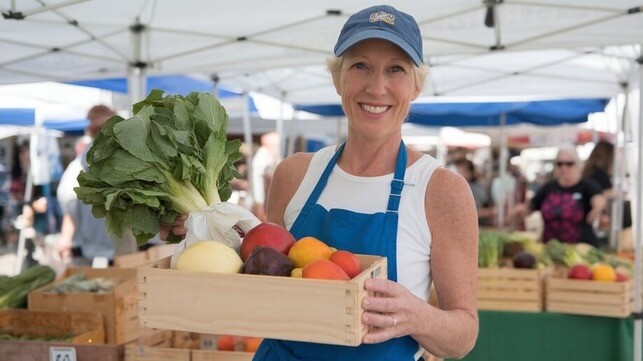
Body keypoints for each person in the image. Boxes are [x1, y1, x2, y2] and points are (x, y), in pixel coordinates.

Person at [165, 5, 478, 360]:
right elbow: (262, 271)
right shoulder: (294, 174)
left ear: (416, 85)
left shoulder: (440, 190)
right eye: (360, 65)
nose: (377, 87)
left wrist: (418, 317)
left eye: (396, 69)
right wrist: (199, 229)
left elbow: (463, 335)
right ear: (337, 78)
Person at [56, 105, 139, 265]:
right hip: (105, 247)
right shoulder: (90, 158)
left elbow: (68, 202)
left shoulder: (82, 161)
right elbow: (70, 201)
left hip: (107, 245)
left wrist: (65, 238)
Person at [515, 146, 607, 246]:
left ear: (578, 164)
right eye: (560, 164)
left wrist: (596, 209)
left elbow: (598, 198)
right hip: (551, 248)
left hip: (580, 249)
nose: (564, 167)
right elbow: (531, 206)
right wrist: (517, 212)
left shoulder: (587, 186)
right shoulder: (548, 187)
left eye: (569, 164)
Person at [452, 157, 494, 226]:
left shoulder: (477, 188)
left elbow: (477, 211)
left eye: (462, 171)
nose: (458, 174)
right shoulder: (457, 188)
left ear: (470, 172)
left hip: (479, 225)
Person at [251, 132, 281, 222]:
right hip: (265, 204)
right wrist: (259, 205)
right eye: (276, 145)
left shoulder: (269, 157)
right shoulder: (261, 161)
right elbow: (258, 185)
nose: (278, 148)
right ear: (270, 145)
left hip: (268, 202)